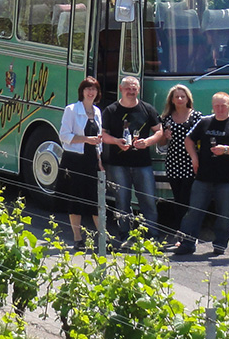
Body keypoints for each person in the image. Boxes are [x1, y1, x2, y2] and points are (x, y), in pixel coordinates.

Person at [172, 92, 229, 256]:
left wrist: (226, 150)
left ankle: (220, 245)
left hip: (226, 179)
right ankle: (187, 243)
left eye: (223, 105)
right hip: (203, 177)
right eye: (217, 106)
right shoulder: (204, 121)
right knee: (193, 212)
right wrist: (194, 158)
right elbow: (188, 139)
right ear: (212, 106)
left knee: (224, 214)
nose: (220, 109)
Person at [101, 76, 163, 242]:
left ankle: (153, 236)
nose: (131, 90)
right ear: (121, 89)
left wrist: (148, 142)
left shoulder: (147, 109)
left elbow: (159, 131)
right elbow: (103, 135)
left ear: (139, 89)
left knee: (148, 200)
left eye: (134, 87)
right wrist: (116, 141)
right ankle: (125, 235)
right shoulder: (111, 110)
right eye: (128, 88)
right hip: (118, 164)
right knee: (122, 201)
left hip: (142, 164)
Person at [57, 76, 104, 250]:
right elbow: (64, 136)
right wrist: (86, 140)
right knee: (75, 200)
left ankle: (103, 239)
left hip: (91, 160)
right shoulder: (71, 110)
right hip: (74, 159)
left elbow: (99, 140)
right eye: (87, 89)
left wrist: (100, 160)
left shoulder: (97, 111)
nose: (91, 92)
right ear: (82, 91)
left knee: (95, 200)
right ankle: (78, 238)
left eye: (94, 89)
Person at [157, 84, 201, 224]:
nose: (180, 99)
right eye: (177, 97)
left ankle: (187, 228)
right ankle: (180, 228)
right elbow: (162, 143)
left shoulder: (196, 116)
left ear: (188, 99)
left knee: (187, 197)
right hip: (173, 162)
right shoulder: (166, 118)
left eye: (183, 96)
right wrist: (165, 135)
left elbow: (201, 139)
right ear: (172, 100)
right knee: (178, 197)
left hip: (190, 162)